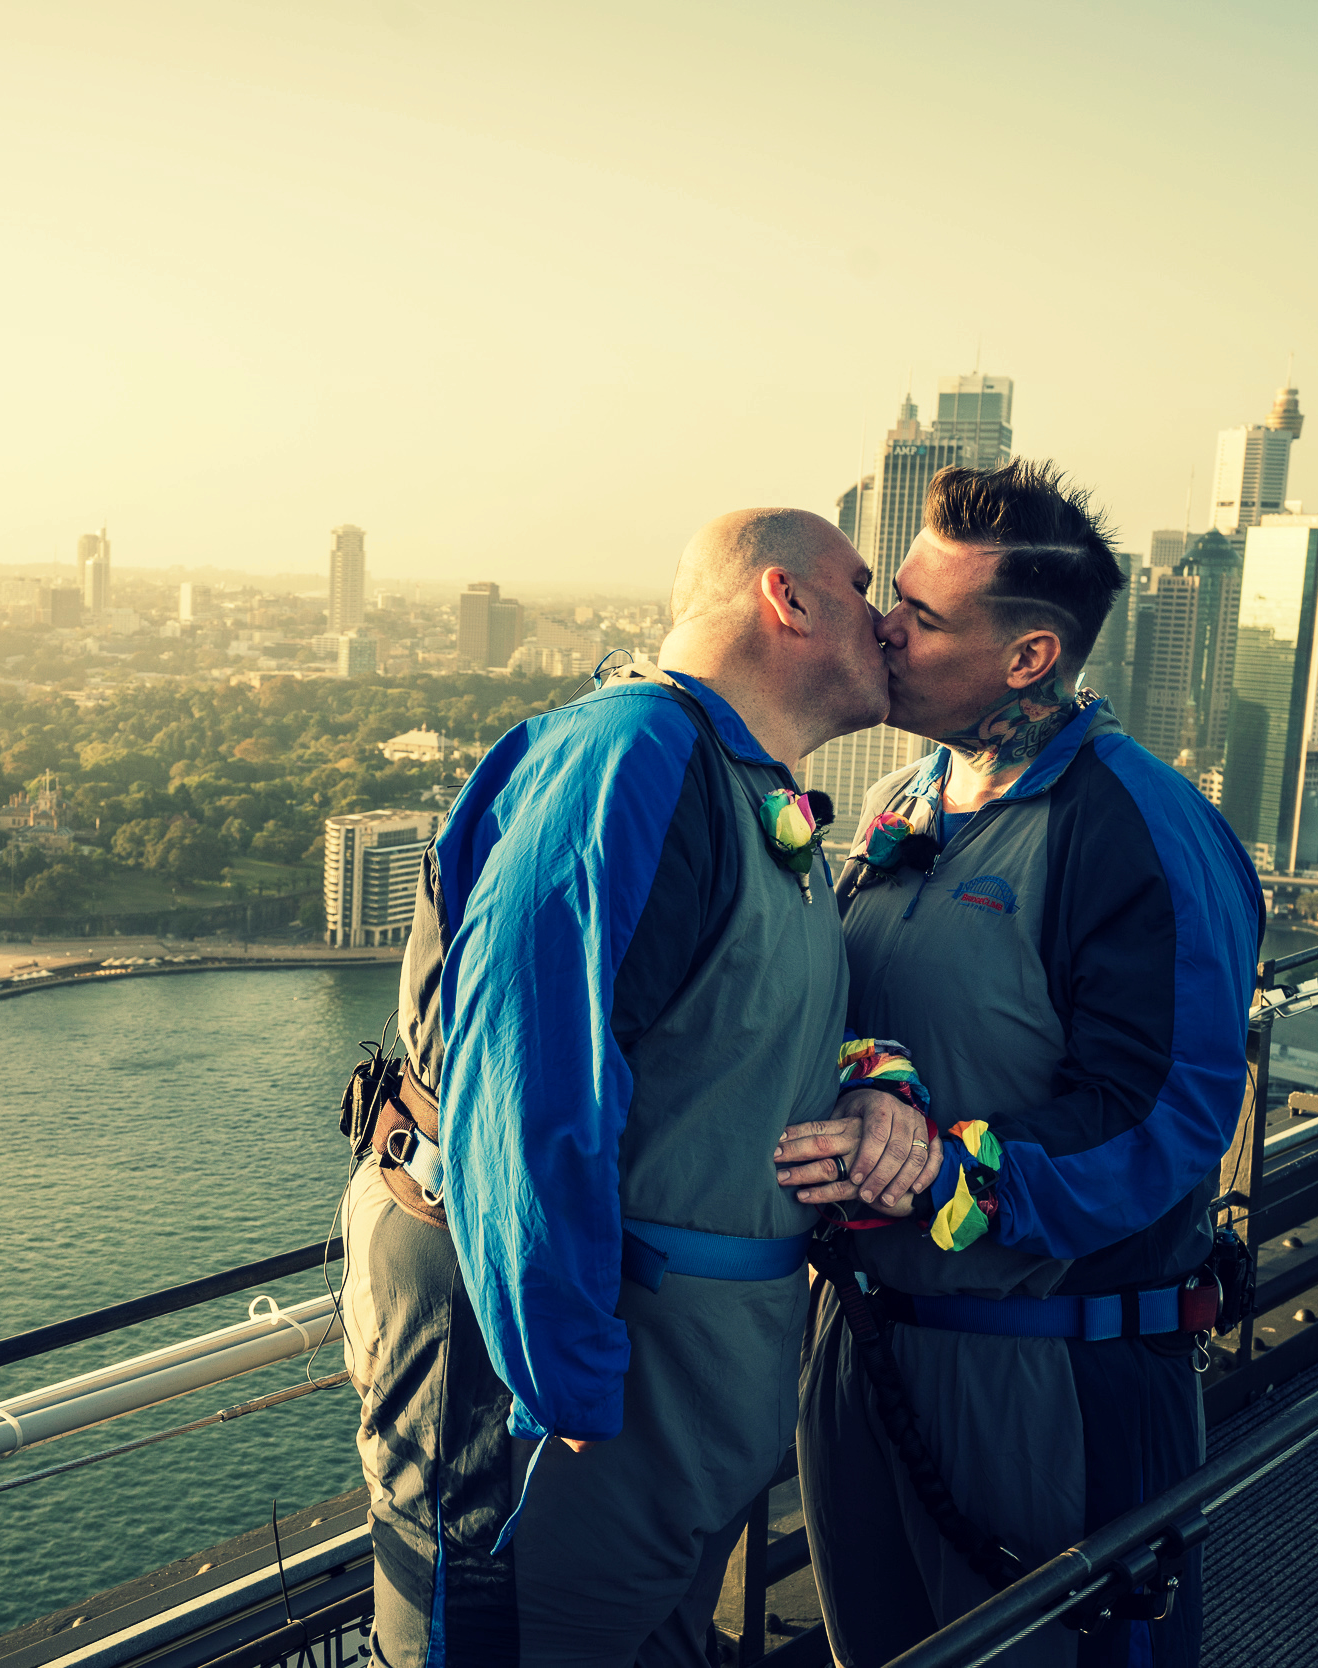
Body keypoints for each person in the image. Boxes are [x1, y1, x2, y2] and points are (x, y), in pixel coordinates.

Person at [339, 507, 895, 1667]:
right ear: (784, 599)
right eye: (863, 585)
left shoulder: (744, 789)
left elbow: (742, 1035)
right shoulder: (633, 754)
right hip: (558, 1420)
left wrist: (873, 1093)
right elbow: (525, 1084)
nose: (887, 618)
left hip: (676, 1410)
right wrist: (569, 1383)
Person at [774, 461, 1263, 1668]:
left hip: (1050, 1374)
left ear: (1029, 657)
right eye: (895, 594)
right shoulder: (903, 803)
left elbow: (1161, 1116)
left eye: (924, 616)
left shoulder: (1133, 827)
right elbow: (839, 1010)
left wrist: (940, 1174)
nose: (885, 625)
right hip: (862, 1351)